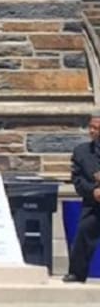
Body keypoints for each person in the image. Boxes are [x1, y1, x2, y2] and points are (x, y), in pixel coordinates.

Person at [64, 113, 100, 282]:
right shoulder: (82, 152)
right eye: (91, 127)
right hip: (94, 203)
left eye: (97, 128)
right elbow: (77, 180)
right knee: (84, 232)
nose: (93, 131)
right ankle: (77, 273)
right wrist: (93, 191)